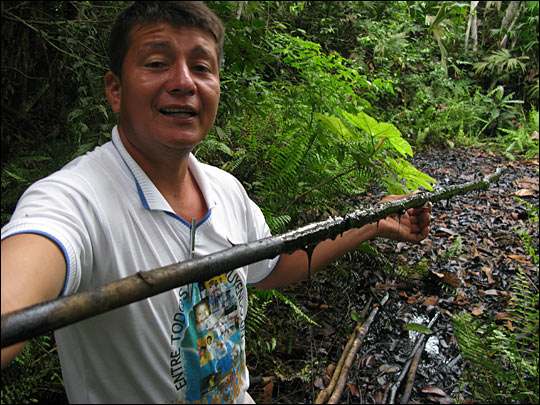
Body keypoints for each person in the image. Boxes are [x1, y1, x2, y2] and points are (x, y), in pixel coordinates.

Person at [0, 2, 432, 403]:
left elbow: (275, 265)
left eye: (201, 67)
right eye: (156, 63)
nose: (184, 82)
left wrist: (373, 223)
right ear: (114, 90)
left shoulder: (225, 189)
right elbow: (19, 282)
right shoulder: (75, 199)